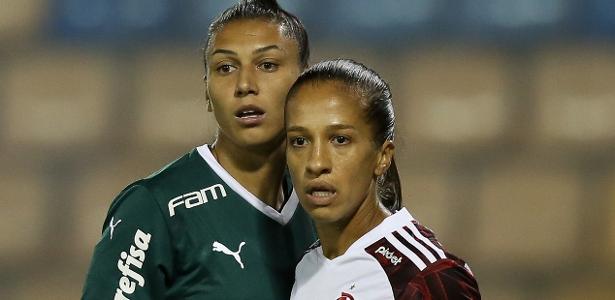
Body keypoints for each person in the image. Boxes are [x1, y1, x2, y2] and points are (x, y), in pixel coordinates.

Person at [81, 0, 316, 299]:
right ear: (206, 91)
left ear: (307, 84)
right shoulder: (155, 209)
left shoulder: (323, 205)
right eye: (225, 67)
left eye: (267, 65)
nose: (245, 84)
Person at [285, 59, 481, 299]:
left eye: (340, 140)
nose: (316, 163)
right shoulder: (306, 267)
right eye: (300, 141)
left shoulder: (424, 278)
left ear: (382, 157)